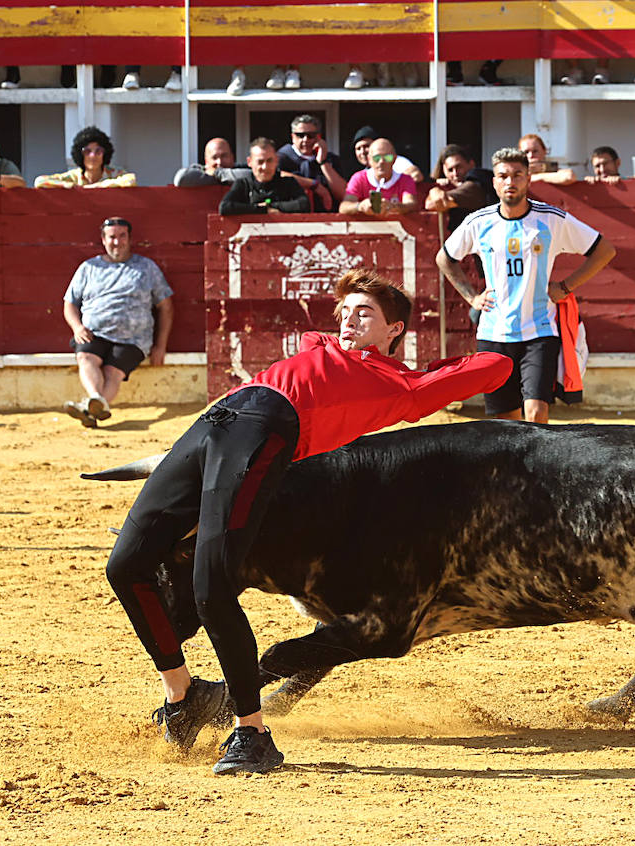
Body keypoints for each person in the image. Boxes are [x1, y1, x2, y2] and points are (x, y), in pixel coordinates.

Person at [103, 268, 511, 775]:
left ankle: (252, 733)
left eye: (366, 313)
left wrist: (431, 364)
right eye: (346, 309)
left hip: (266, 432)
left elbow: (496, 365)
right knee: (126, 565)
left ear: (395, 330)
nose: (349, 317)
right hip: (215, 421)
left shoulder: (399, 386)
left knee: (212, 586)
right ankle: (183, 696)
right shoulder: (321, 347)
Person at [436, 147, 616, 423]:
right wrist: (471, 297)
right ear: (494, 182)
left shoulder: (551, 219)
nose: (510, 182)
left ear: (528, 178)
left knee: (536, 412)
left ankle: (537, 468)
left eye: (517, 175)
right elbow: (444, 258)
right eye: (503, 176)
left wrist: (566, 286)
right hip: (495, 332)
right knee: (506, 421)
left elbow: (604, 250)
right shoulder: (479, 222)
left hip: (539, 329)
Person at [61, 217, 173, 428]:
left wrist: (161, 345)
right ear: (103, 240)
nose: (117, 242)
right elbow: (69, 304)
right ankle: (96, 401)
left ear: (130, 239)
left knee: (113, 372)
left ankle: (90, 406)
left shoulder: (146, 267)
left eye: (122, 236)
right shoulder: (88, 268)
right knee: (85, 356)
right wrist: (77, 327)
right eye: (112, 237)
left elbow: (166, 307)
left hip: (134, 338)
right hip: (94, 332)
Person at [218, 138, 311, 215]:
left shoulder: (288, 183)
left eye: (269, 161)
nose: (265, 167)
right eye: (260, 162)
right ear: (249, 162)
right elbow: (225, 207)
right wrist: (262, 210)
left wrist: (272, 206)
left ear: (276, 161)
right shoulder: (243, 184)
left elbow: (304, 204)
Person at [276, 114, 347, 209]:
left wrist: (323, 162)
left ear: (318, 137)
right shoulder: (281, 158)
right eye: (300, 135)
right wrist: (315, 185)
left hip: (329, 218)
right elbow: (276, 175)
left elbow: (344, 195)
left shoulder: (331, 159)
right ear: (292, 137)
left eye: (311, 135)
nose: (305, 140)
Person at [35, 125, 136, 189]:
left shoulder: (114, 173)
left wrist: (95, 187)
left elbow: (130, 180)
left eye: (98, 151)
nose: (93, 156)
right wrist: (70, 186)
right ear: (80, 155)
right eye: (87, 151)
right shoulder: (73, 177)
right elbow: (40, 181)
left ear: (105, 154)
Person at [338, 138, 419, 215]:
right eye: (377, 158)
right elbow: (344, 207)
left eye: (387, 158)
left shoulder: (405, 180)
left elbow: (411, 204)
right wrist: (360, 206)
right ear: (369, 160)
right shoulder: (359, 178)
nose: (381, 162)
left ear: (394, 160)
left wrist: (393, 207)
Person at [425, 144, 496, 230]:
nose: (455, 174)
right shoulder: (442, 185)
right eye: (450, 170)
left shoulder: (479, 180)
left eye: (459, 167)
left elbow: (433, 204)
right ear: (444, 171)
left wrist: (435, 191)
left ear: (471, 164)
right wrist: (436, 188)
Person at [349, 126, 424, 183]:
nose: (362, 152)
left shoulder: (396, 161)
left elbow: (416, 175)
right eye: (358, 148)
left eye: (366, 146)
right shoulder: (362, 176)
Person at [172, 138, 251, 187]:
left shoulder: (240, 169)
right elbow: (180, 178)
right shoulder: (201, 171)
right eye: (214, 157)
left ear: (232, 158)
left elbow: (255, 176)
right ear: (206, 161)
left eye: (224, 156)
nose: (219, 162)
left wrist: (217, 173)